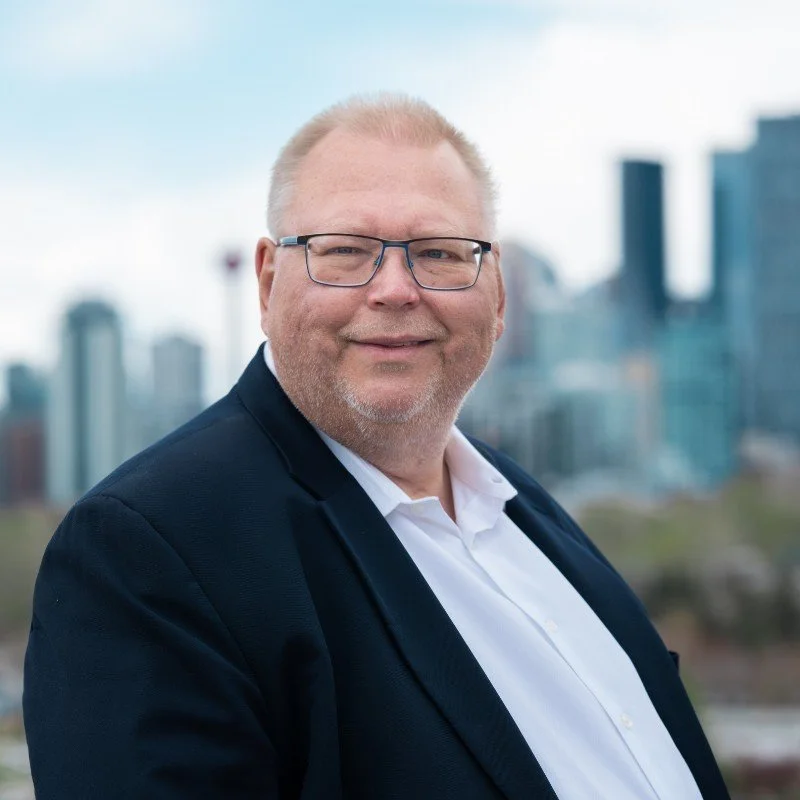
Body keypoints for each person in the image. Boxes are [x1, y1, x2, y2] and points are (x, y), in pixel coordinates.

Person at [24, 94, 730, 799]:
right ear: (268, 284)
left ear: (498, 297)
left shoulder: (527, 510)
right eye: (345, 251)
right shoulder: (147, 550)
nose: (395, 290)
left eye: (439, 253)